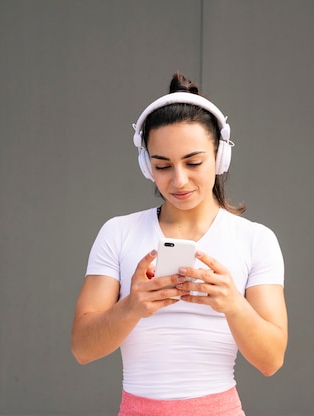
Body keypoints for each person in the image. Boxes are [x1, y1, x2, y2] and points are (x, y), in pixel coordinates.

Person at [71, 72, 287, 416]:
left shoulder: (255, 240)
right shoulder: (118, 233)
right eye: (162, 165)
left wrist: (233, 304)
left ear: (220, 157)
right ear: (146, 165)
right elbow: (82, 348)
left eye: (193, 162)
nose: (179, 180)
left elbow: (272, 360)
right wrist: (132, 306)